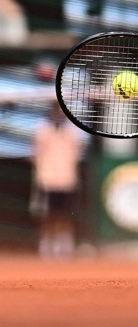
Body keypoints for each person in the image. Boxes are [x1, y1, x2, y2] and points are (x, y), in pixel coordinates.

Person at [31, 102, 87, 258]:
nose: (58, 113)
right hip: (46, 179)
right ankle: (47, 244)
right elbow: (35, 153)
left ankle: (64, 244)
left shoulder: (72, 130)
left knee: (65, 214)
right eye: (56, 110)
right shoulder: (42, 129)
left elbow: (78, 152)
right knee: (47, 214)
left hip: (67, 179)